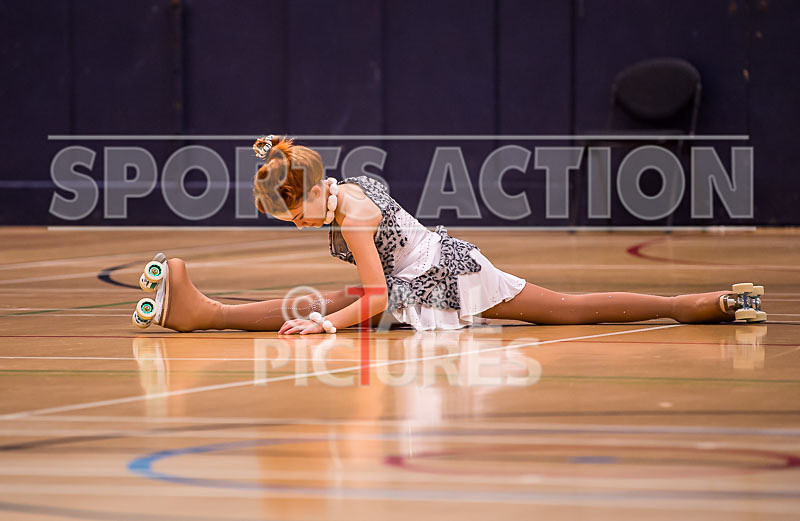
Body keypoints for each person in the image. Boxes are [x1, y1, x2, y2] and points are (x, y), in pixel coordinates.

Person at [152, 135, 759, 334]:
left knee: (569, 310)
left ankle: (699, 303)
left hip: (444, 273)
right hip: (426, 266)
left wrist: (322, 328)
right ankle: (200, 311)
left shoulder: (352, 216)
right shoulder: (337, 188)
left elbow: (375, 297)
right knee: (566, 310)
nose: (299, 227)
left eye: (293, 219)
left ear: (310, 194)